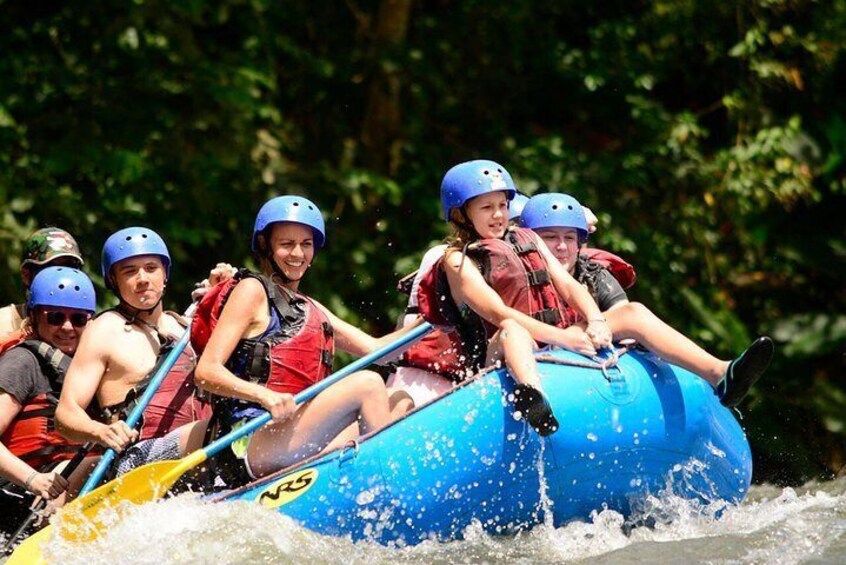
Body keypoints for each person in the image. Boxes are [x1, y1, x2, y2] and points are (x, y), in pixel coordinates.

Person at [193, 195, 423, 483]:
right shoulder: (252, 290)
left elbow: (378, 349)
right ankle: (387, 485)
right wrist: (264, 395)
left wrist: (432, 319)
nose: (297, 254)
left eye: (306, 244)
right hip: (251, 438)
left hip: (295, 432)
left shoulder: (310, 307)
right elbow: (206, 371)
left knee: (399, 400)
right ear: (265, 246)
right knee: (368, 383)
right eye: (286, 244)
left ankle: (370, 479)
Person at [408, 160, 613, 436]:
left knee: (630, 313)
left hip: (551, 340)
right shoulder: (457, 261)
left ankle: (692, 367)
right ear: (460, 215)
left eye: (502, 205)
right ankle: (535, 400)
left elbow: (567, 284)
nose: (498, 215)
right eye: (486, 207)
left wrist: (595, 319)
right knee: (512, 330)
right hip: (494, 356)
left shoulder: (527, 238)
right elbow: (499, 313)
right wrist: (563, 338)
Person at [520, 192, 774, 407]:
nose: (562, 247)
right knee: (633, 315)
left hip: (583, 352)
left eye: (569, 238)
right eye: (550, 238)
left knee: (633, 314)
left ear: (580, 244)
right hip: (530, 355)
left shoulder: (594, 274)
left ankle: (720, 374)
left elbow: (624, 317)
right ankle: (718, 372)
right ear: (531, 242)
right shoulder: (510, 272)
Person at [55, 228, 213, 479]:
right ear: (114, 281)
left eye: (151, 268)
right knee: (217, 429)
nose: (142, 279)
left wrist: (225, 295)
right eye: (130, 271)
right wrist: (100, 431)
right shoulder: (105, 329)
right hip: (138, 460)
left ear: (164, 275)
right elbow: (65, 415)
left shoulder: (184, 327)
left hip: (203, 453)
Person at [0, 267, 99, 538]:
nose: (67, 327)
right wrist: (34, 481)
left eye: (78, 319)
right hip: (17, 497)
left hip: (60, 491)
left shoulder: (89, 371)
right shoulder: (22, 362)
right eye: (55, 317)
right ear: (34, 317)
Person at [0, 228, 84, 341]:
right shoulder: (4, 324)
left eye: (70, 267)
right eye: (50, 268)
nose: (61, 276)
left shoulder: (87, 327)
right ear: (26, 275)